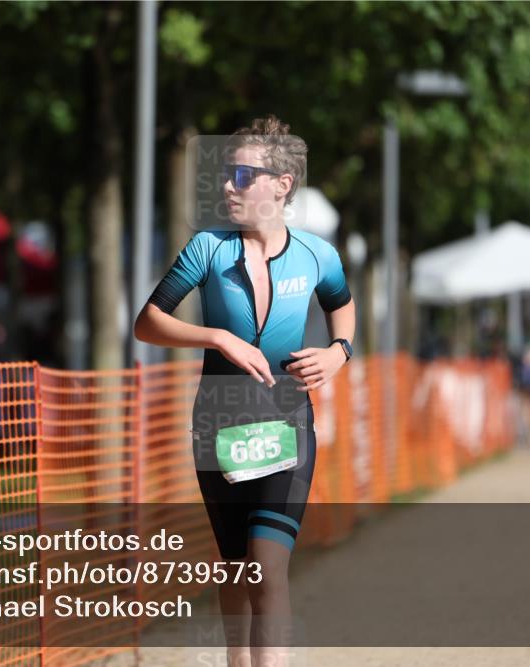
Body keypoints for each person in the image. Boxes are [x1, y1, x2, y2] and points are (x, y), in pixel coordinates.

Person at [134, 115, 355, 667]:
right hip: (218, 425)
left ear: (281, 184)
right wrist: (217, 337)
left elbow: (341, 306)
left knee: (267, 565)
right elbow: (148, 322)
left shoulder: (317, 255)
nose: (228, 185)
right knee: (235, 566)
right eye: (225, 174)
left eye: (242, 174)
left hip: (287, 423)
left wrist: (338, 352)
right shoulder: (207, 249)